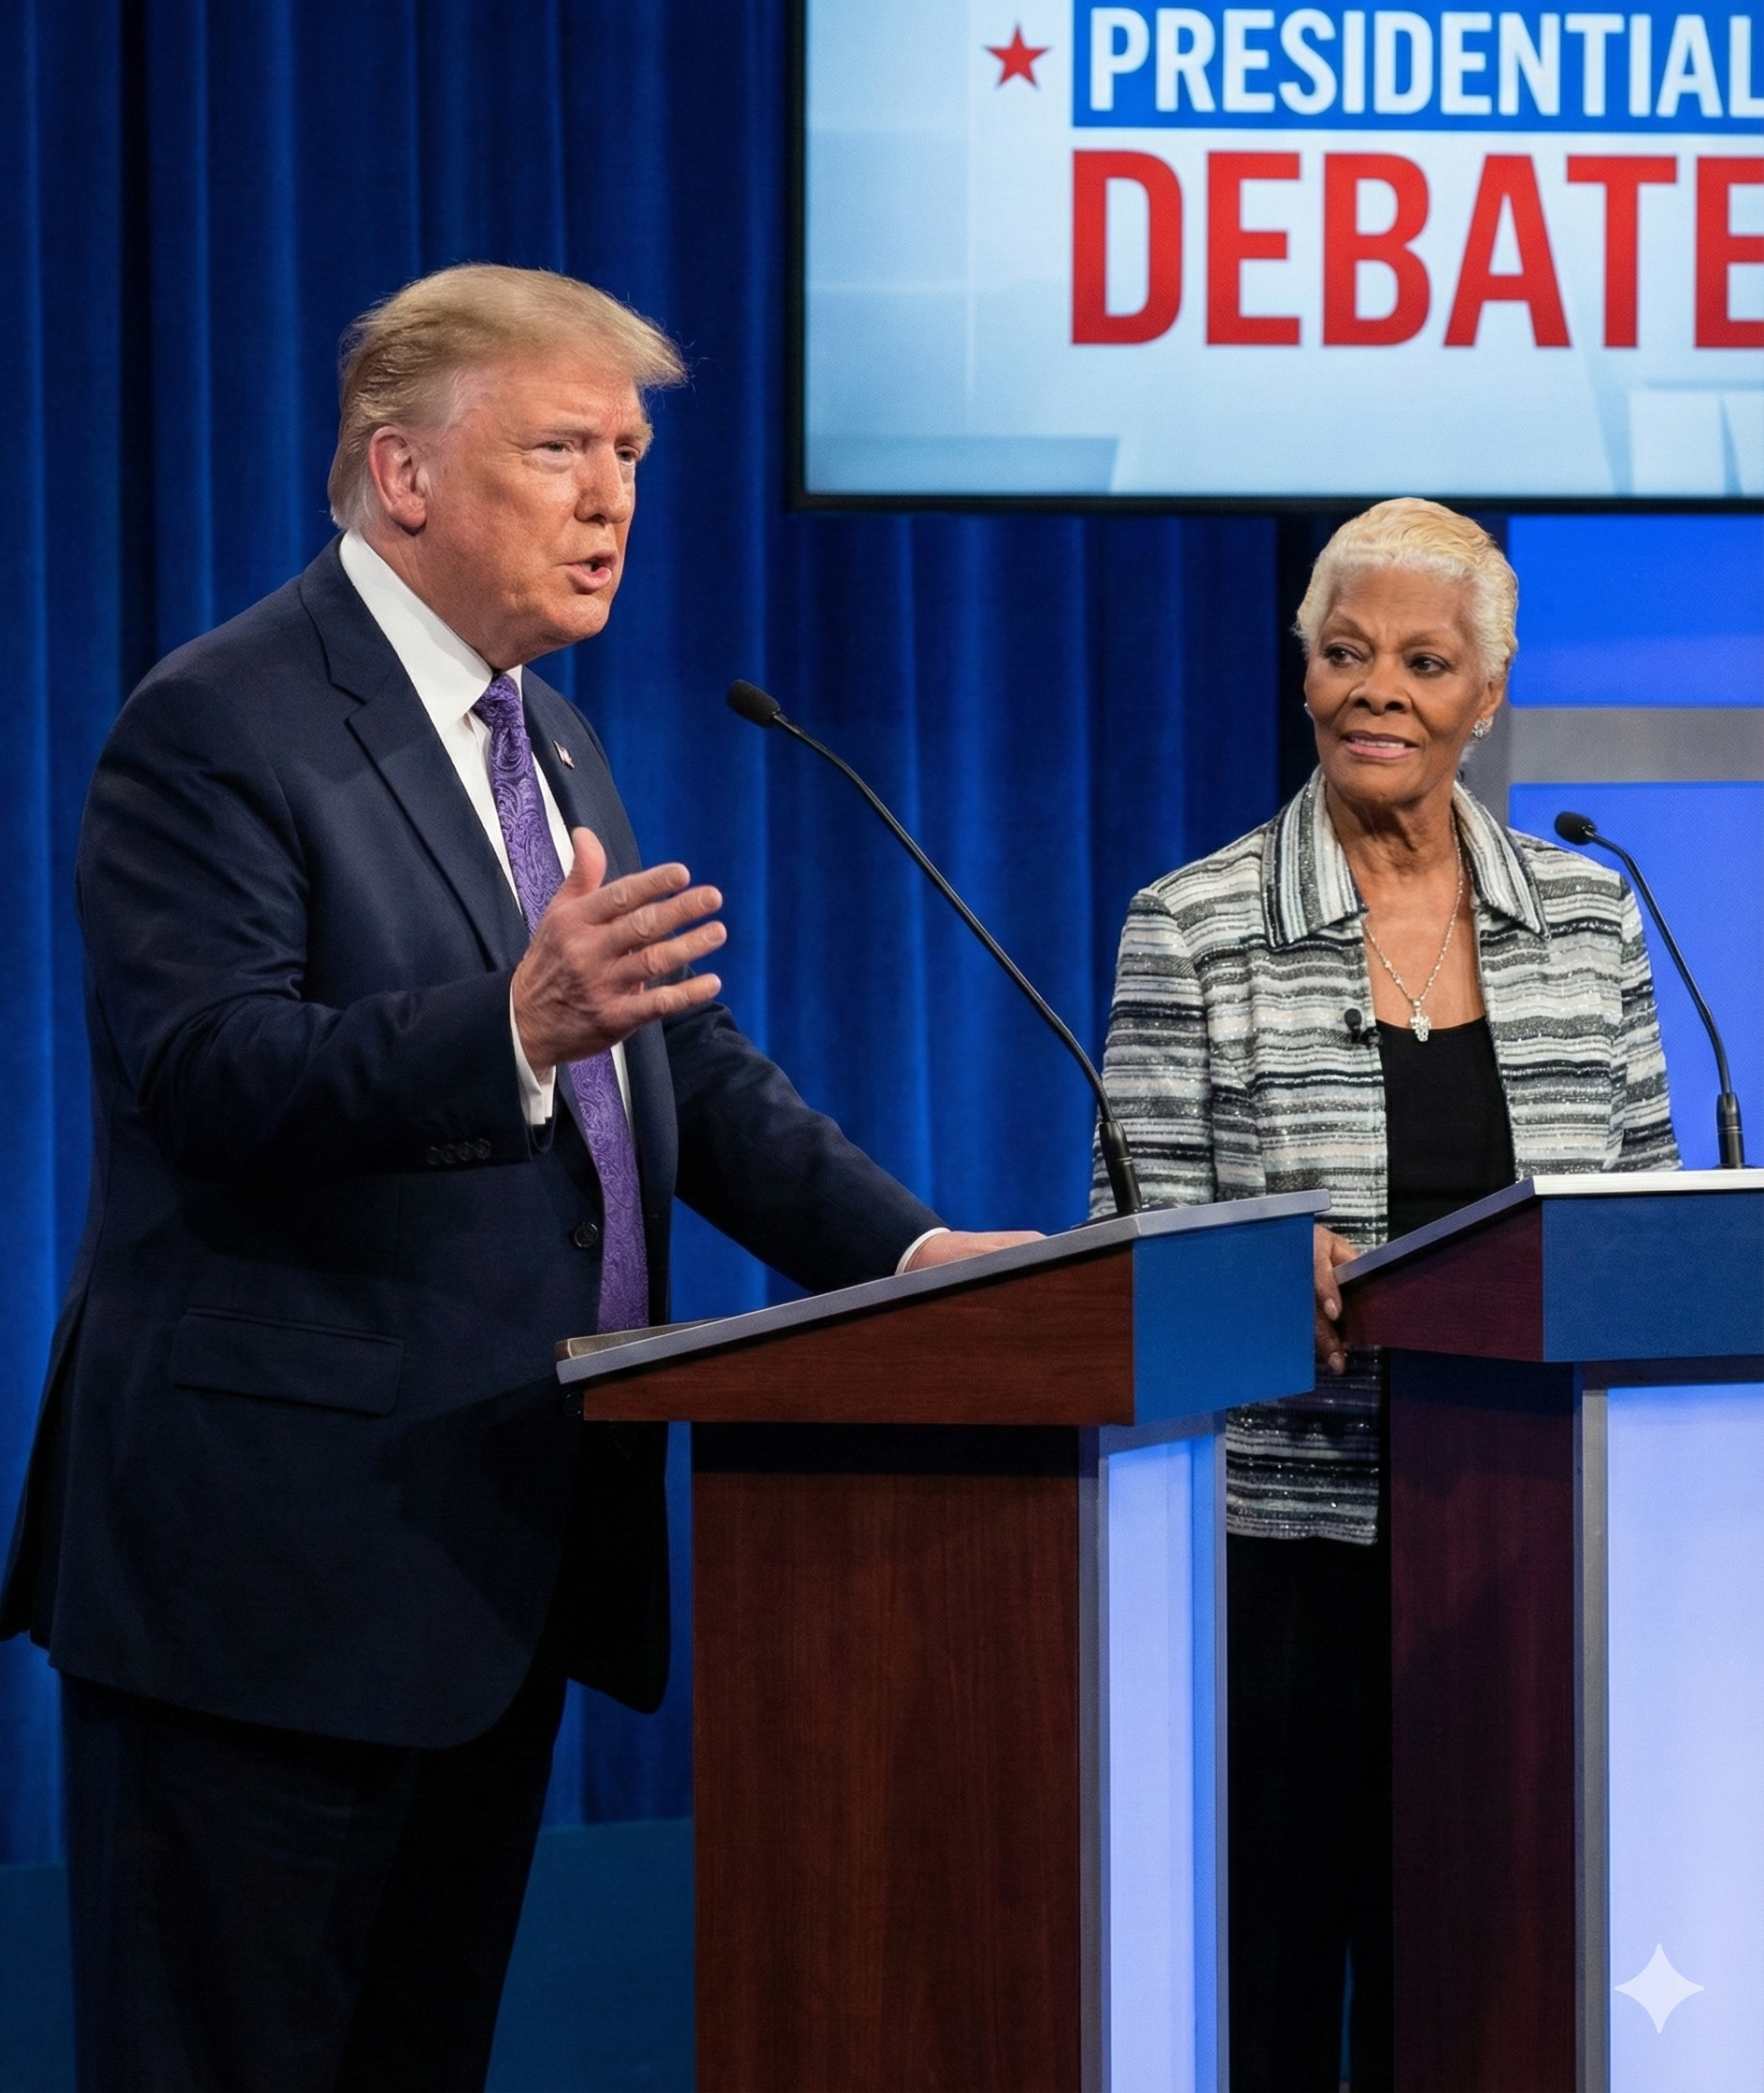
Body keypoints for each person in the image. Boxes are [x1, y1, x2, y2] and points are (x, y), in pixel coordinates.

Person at [0, 263, 1031, 2093]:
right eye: (561, 447)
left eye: (626, 452)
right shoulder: (220, 720)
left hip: (488, 1563)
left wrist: (914, 1250)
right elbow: (206, 1070)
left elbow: (667, 1070)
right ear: (403, 475)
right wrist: (508, 1023)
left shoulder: (543, 729)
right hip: (269, 1580)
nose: (612, 495)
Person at [1095, 498, 1677, 2091]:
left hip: (1522, 1541)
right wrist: (1247, 1270)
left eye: (1424, 662)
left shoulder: (1589, 915)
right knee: (1278, 1981)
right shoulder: (1195, 923)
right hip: (1286, 1544)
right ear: (1299, 678)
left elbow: (1639, 1203)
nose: (1379, 691)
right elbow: (1121, 1241)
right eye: (1344, 654)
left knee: (1488, 1977)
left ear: (1486, 697)